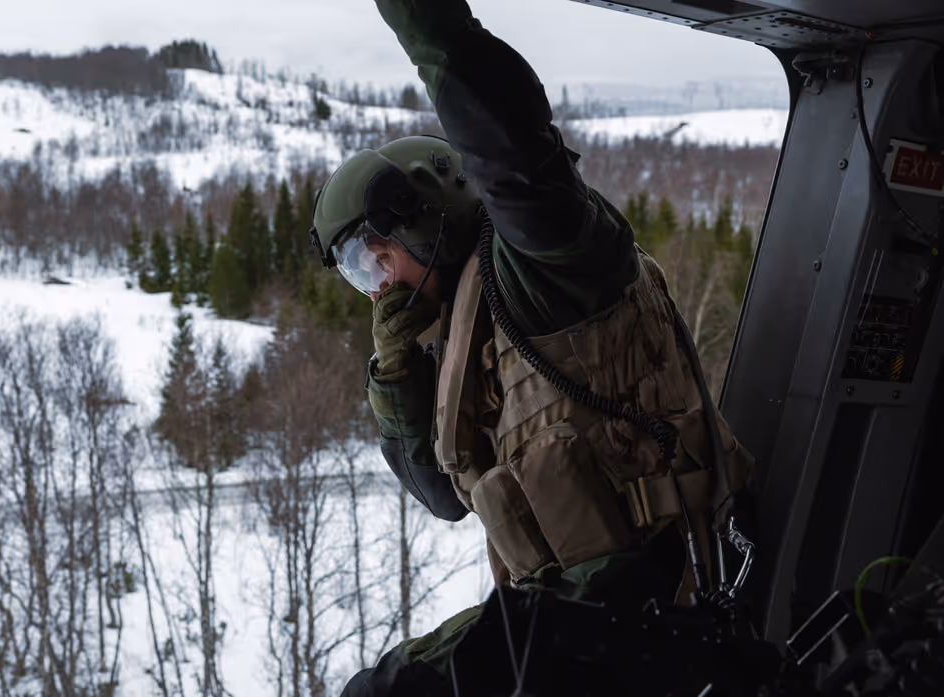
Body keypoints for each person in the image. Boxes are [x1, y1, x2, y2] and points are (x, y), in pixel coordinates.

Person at [306, 1, 756, 694]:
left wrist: (428, 27)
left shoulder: (540, 265)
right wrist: (395, 379)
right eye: (357, 275)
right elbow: (442, 495)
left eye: (376, 261)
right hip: (581, 612)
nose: (375, 290)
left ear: (428, 218)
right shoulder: (466, 329)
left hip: (664, 594)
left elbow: (509, 148)